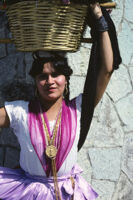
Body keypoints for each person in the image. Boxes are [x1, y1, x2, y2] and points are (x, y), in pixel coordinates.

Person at [0, 2, 120, 200]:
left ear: (66, 79)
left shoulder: (79, 109)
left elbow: (106, 69)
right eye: (42, 76)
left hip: (68, 193)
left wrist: (98, 16)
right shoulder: (21, 111)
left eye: (56, 75)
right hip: (30, 193)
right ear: (35, 81)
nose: (50, 81)